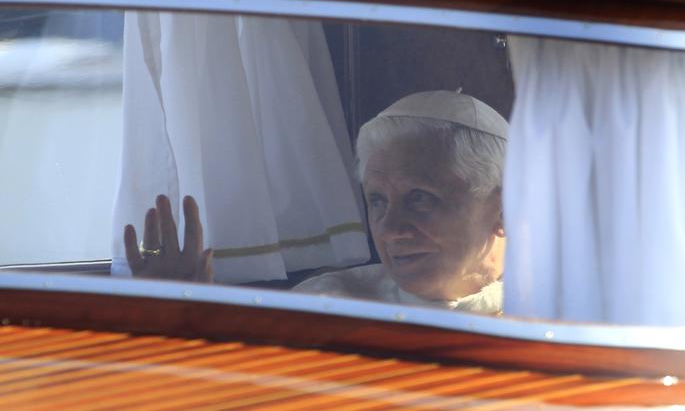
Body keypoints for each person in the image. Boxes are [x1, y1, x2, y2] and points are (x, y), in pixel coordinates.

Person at [124, 91, 507, 315]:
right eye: (377, 201)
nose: (390, 230)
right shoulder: (324, 306)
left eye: (419, 198)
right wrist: (180, 324)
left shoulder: (542, 323)